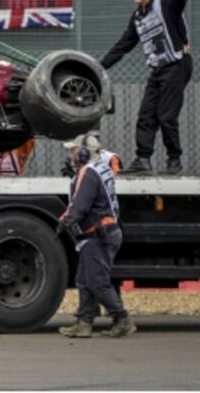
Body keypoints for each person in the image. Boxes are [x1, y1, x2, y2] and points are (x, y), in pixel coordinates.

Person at [101, 0, 191, 174]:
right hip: (158, 69)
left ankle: (174, 159)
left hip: (177, 64)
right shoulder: (137, 16)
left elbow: (181, 0)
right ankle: (143, 159)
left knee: (166, 115)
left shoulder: (165, 2)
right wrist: (100, 66)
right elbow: (124, 44)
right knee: (146, 115)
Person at [58, 136, 136, 339]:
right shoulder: (99, 169)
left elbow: (80, 205)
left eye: (74, 150)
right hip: (100, 233)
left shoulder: (89, 172)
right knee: (84, 280)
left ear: (84, 153)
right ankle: (84, 322)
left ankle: (123, 320)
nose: (71, 155)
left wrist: (64, 221)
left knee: (97, 282)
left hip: (99, 234)